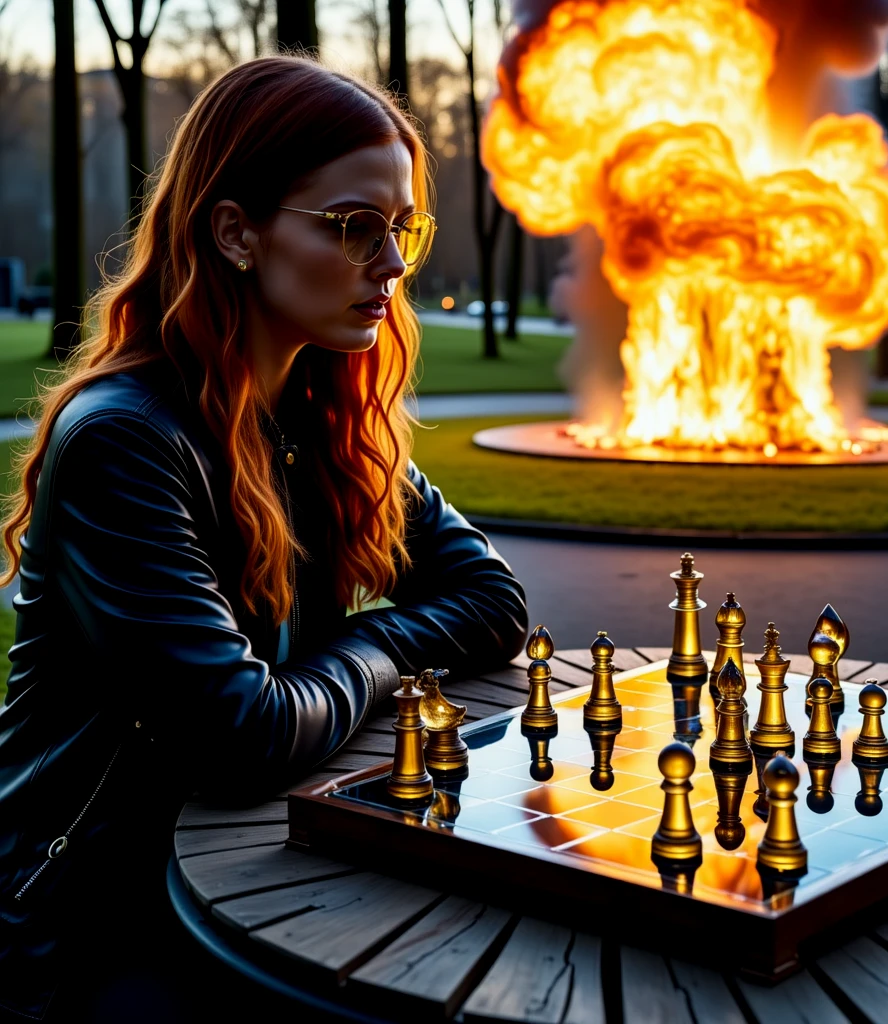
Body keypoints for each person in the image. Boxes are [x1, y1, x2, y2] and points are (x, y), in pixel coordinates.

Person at [0, 56, 528, 1021]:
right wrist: (377, 643)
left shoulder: (320, 419)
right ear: (237, 232)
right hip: (97, 919)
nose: (396, 265)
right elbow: (246, 733)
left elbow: (495, 602)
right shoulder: (126, 440)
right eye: (353, 226)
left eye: (401, 227)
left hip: (264, 870)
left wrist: (355, 654)